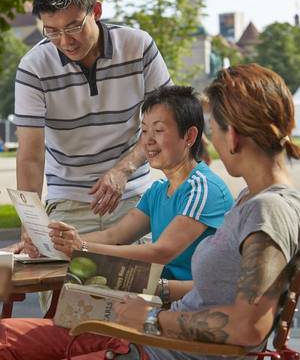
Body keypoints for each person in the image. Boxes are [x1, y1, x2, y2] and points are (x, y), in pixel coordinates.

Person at [1, 64, 300, 360]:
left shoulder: (266, 209)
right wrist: (56, 245)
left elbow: (248, 328)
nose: (215, 143)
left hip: (155, 343)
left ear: (232, 135)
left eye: (215, 130)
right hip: (149, 334)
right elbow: (219, 290)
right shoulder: (251, 200)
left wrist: (151, 318)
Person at [13, 0, 171, 242]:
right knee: (58, 281)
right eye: (51, 31)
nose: (65, 41)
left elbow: (167, 123)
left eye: (74, 27)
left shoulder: (139, 46)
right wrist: (31, 224)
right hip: (68, 204)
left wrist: (123, 170)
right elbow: (30, 157)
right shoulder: (33, 67)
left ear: (96, 11)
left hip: (135, 197)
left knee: (138, 283)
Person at [25, 85, 234, 281]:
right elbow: (114, 236)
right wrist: (54, 244)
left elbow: (161, 252)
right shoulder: (158, 191)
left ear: (189, 136)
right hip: (160, 298)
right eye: (143, 131)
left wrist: (83, 247)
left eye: (159, 130)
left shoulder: (202, 188)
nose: (148, 140)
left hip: (195, 304)